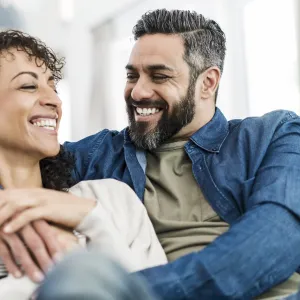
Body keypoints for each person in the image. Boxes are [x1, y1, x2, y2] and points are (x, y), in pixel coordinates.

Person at [1, 9, 300, 300]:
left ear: (208, 82)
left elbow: (276, 238)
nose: (138, 92)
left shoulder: (274, 135)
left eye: (158, 76)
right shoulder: (99, 156)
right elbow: (20, 158)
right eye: (132, 75)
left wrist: (125, 291)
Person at [0, 29, 167, 299]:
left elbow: (150, 291)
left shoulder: (110, 198)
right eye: (28, 86)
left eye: (53, 87)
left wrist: (92, 219)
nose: (54, 100)